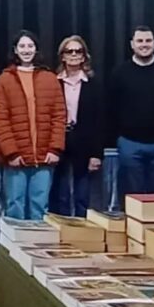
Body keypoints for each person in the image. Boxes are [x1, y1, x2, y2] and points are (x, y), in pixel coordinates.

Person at [0, 31, 66, 221]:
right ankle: (14, 242)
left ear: (36, 49)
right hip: (16, 158)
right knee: (14, 206)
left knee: (39, 207)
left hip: (44, 157)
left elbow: (59, 116)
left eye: (30, 46)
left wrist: (55, 149)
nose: (26, 50)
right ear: (15, 50)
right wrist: (11, 153)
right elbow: (1, 119)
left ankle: (37, 241)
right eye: (22, 46)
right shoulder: (5, 79)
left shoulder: (50, 78)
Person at [106, 26, 154, 197]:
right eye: (140, 41)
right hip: (129, 143)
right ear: (132, 44)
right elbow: (111, 108)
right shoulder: (120, 73)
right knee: (132, 197)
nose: (144, 44)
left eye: (148, 40)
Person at [49, 35, 104, 218]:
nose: (73, 55)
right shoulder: (53, 82)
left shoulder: (93, 84)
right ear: (62, 56)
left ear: (84, 56)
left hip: (85, 144)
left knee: (82, 196)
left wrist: (96, 154)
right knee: (60, 195)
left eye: (78, 51)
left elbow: (100, 120)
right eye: (69, 51)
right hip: (59, 142)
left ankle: (82, 231)